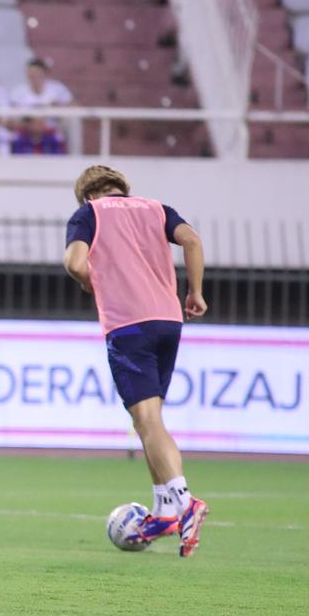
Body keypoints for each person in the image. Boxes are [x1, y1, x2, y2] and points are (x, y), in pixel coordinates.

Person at [62, 165, 209, 557]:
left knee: (147, 421)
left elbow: (75, 263)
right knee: (149, 420)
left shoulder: (90, 214)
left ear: (88, 195)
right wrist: (195, 292)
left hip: (128, 325)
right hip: (169, 321)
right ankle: (162, 509)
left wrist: (91, 282)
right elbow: (192, 241)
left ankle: (184, 502)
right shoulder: (157, 209)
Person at [10, 58, 71, 155]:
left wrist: (58, 107)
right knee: (14, 137)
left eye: (37, 73)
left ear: (44, 73)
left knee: (59, 136)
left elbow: (73, 106)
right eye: (31, 74)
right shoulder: (19, 91)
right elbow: (12, 117)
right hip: (26, 132)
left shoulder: (57, 89)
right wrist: (31, 122)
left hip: (50, 131)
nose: (34, 77)